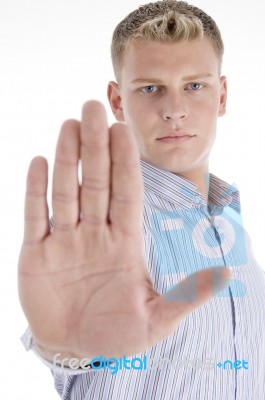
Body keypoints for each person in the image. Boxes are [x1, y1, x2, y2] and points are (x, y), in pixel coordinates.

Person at [18, 1, 265, 399]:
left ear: (222, 96)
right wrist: (69, 349)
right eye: (150, 89)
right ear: (118, 102)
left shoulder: (229, 220)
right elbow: (67, 336)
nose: (174, 110)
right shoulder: (105, 226)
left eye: (194, 86)